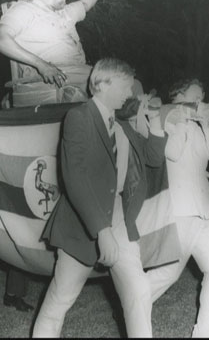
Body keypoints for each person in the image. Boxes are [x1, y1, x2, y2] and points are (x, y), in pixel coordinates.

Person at [33, 58, 166, 337]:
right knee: (60, 300)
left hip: (119, 221)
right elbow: (75, 177)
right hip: (83, 224)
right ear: (102, 83)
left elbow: (153, 158)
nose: (130, 93)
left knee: (138, 293)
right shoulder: (79, 117)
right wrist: (101, 229)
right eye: (125, 86)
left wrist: (155, 121)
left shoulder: (122, 126)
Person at [146, 78, 209, 337]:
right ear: (180, 94)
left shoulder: (201, 123)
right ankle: (133, 302)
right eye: (198, 96)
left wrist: (206, 124)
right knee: (167, 274)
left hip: (206, 211)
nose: (203, 100)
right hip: (179, 211)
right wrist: (185, 118)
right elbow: (173, 153)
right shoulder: (168, 116)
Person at [0, 0, 115, 106]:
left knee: (127, 83)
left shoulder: (63, 12)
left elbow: (85, 3)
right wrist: (41, 65)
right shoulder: (24, 9)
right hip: (56, 76)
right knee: (113, 86)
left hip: (79, 72)